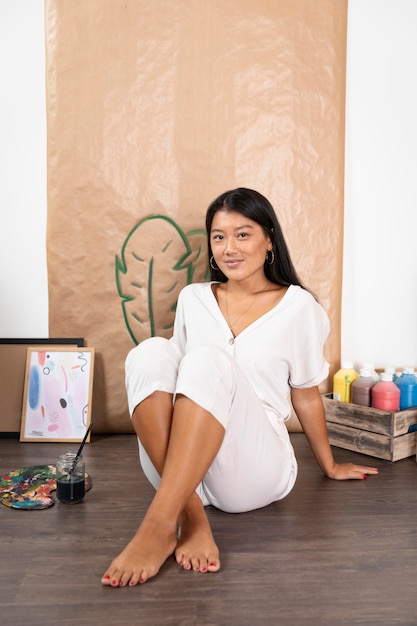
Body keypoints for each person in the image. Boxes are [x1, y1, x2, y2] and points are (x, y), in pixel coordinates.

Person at [102, 187, 379, 588]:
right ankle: (190, 514)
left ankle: (160, 522)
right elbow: (173, 383)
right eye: (218, 236)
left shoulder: (299, 307)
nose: (229, 247)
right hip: (182, 466)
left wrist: (330, 465)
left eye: (242, 234)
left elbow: (304, 393)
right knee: (150, 353)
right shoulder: (193, 299)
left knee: (207, 359)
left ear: (269, 239)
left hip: (253, 465)